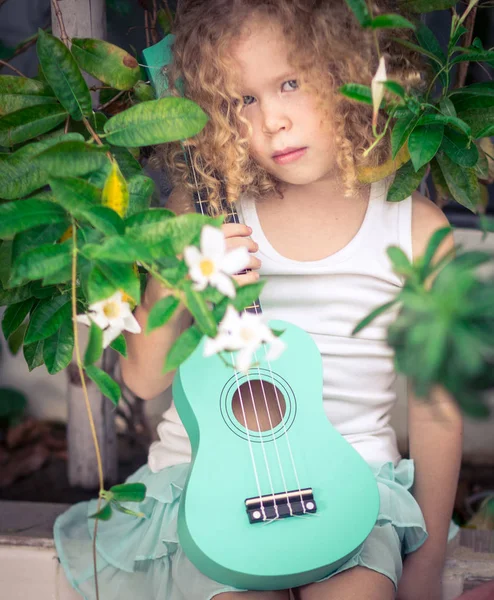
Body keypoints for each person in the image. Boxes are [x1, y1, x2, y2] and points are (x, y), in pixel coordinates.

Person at [53, 1, 463, 599]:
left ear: (349, 71)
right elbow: (143, 380)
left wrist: (424, 572)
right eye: (242, 100)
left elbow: (435, 411)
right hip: (208, 484)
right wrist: (187, 277)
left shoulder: (417, 232)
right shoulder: (199, 218)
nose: (271, 120)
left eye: (290, 84)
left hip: (354, 486)